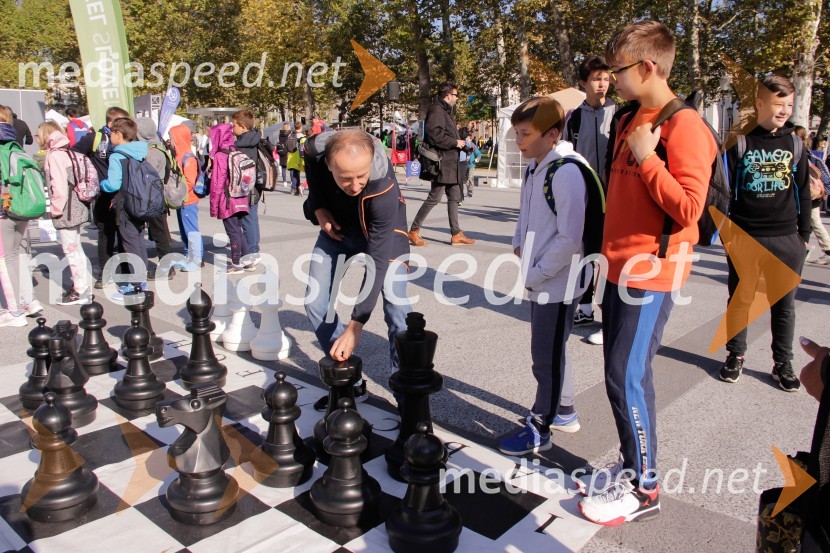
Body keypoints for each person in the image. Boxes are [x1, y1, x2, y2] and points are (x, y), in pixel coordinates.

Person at [577, 21, 717, 525]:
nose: (611, 80)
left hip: (651, 272)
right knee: (622, 376)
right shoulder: (628, 116)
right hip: (618, 267)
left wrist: (646, 158)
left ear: (648, 67)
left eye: (618, 71)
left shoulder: (685, 126)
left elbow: (690, 209)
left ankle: (645, 489)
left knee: (626, 375)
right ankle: (635, 463)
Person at [497, 96, 591, 455]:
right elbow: (527, 211)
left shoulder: (566, 170)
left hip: (557, 281)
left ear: (552, 134)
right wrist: (519, 242)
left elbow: (570, 236)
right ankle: (563, 411)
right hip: (542, 277)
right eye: (517, 133)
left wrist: (537, 272)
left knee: (545, 357)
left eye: (525, 134)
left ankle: (541, 427)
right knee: (551, 350)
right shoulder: (538, 165)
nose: (519, 141)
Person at [302, 129, 411, 410]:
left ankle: (406, 393)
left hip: (383, 232)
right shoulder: (316, 150)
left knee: (397, 307)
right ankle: (350, 381)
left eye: (361, 176)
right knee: (315, 302)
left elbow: (376, 260)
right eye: (345, 178)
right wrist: (318, 208)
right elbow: (311, 172)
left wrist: (356, 324)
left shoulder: (383, 186)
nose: (354, 185)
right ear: (329, 164)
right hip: (337, 230)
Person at [718, 75, 811, 392]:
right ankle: (735, 356)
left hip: (787, 239)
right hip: (745, 236)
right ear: (759, 104)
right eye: (777, 103)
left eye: (788, 104)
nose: (784, 110)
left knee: (784, 306)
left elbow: (803, 192)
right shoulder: (740, 141)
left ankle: (782, 363)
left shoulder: (795, 144)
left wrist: (804, 236)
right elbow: (723, 189)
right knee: (740, 300)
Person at [565, 56, 617, 335]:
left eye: (606, 78)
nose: (602, 84)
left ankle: (609, 311)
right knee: (586, 252)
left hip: (616, 196)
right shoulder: (573, 119)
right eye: (596, 79)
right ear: (583, 83)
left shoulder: (619, 114)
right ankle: (584, 308)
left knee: (610, 255)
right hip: (586, 197)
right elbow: (565, 157)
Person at [408, 82, 475, 246]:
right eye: (456, 95)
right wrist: (454, 142)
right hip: (442, 163)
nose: (457, 98)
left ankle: (456, 233)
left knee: (454, 197)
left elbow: (449, 134)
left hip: (450, 162)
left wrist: (464, 137)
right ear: (448, 95)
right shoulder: (437, 110)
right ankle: (413, 231)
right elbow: (434, 135)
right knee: (434, 197)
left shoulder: (445, 111)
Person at [72, 106, 130, 289]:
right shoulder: (94, 138)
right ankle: (106, 273)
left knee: (125, 233)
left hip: (124, 193)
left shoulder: (126, 138)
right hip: (103, 194)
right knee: (106, 234)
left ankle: (126, 273)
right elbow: (74, 155)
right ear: (111, 123)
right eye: (122, 123)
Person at [37, 120, 92, 305]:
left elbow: (58, 186)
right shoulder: (68, 150)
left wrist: (55, 209)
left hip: (66, 207)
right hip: (76, 204)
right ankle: (82, 285)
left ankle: (80, 289)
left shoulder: (54, 155)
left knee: (70, 248)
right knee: (76, 247)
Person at [0, 105, 44, 326]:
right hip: (23, 208)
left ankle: (14, 311)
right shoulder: (16, 147)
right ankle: (28, 301)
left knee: (3, 260)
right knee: (15, 255)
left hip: (4, 210)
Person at [101, 117, 152, 299]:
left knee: (129, 243)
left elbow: (114, 184)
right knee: (138, 241)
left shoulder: (117, 155)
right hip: (140, 202)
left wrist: (102, 184)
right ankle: (141, 279)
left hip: (124, 204)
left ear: (118, 134)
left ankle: (135, 285)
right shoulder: (141, 152)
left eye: (111, 133)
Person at [136, 117, 176, 280]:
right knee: (160, 232)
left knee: (160, 233)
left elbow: (147, 178)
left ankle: (166, 267)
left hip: (154, 198)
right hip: (157, 196)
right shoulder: (158, 147)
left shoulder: (152, 152)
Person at [209, 122, 253, 273]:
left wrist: (214, 206)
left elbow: (217, 184)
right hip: (241, 197)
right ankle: (247, 260)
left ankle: (235, 263)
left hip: (227, 200)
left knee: (232, 232)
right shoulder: (236, 151)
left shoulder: (220, 156)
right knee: (238, 230)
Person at [169, 124, 203, 272]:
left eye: (171, 138)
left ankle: (196, 258)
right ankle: (190, 255)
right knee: (185, 230)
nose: (170, 141)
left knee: (191, 230)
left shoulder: (188, 157)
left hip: (187, 199)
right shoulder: (179, 155)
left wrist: (177, 193)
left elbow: (190, 181)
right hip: (181, 199)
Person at [794, 126, 830, 265]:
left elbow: (826, 178)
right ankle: (804, 248)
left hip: (810, 197)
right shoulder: (802, 155)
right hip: (803, 196)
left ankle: (827, 249)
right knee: (807, 222)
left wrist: (823, 192)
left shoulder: (810, 158)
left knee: (814, 221)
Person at [232, 110, 263, 264]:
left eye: (234, 125)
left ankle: (251, 252)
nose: (232, 129)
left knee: (247, 220)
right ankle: (254, 249)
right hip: (256, 185)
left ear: (242, 127)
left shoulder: (240, 145)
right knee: (252, 218)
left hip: (245, 186)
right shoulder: (257, 138)